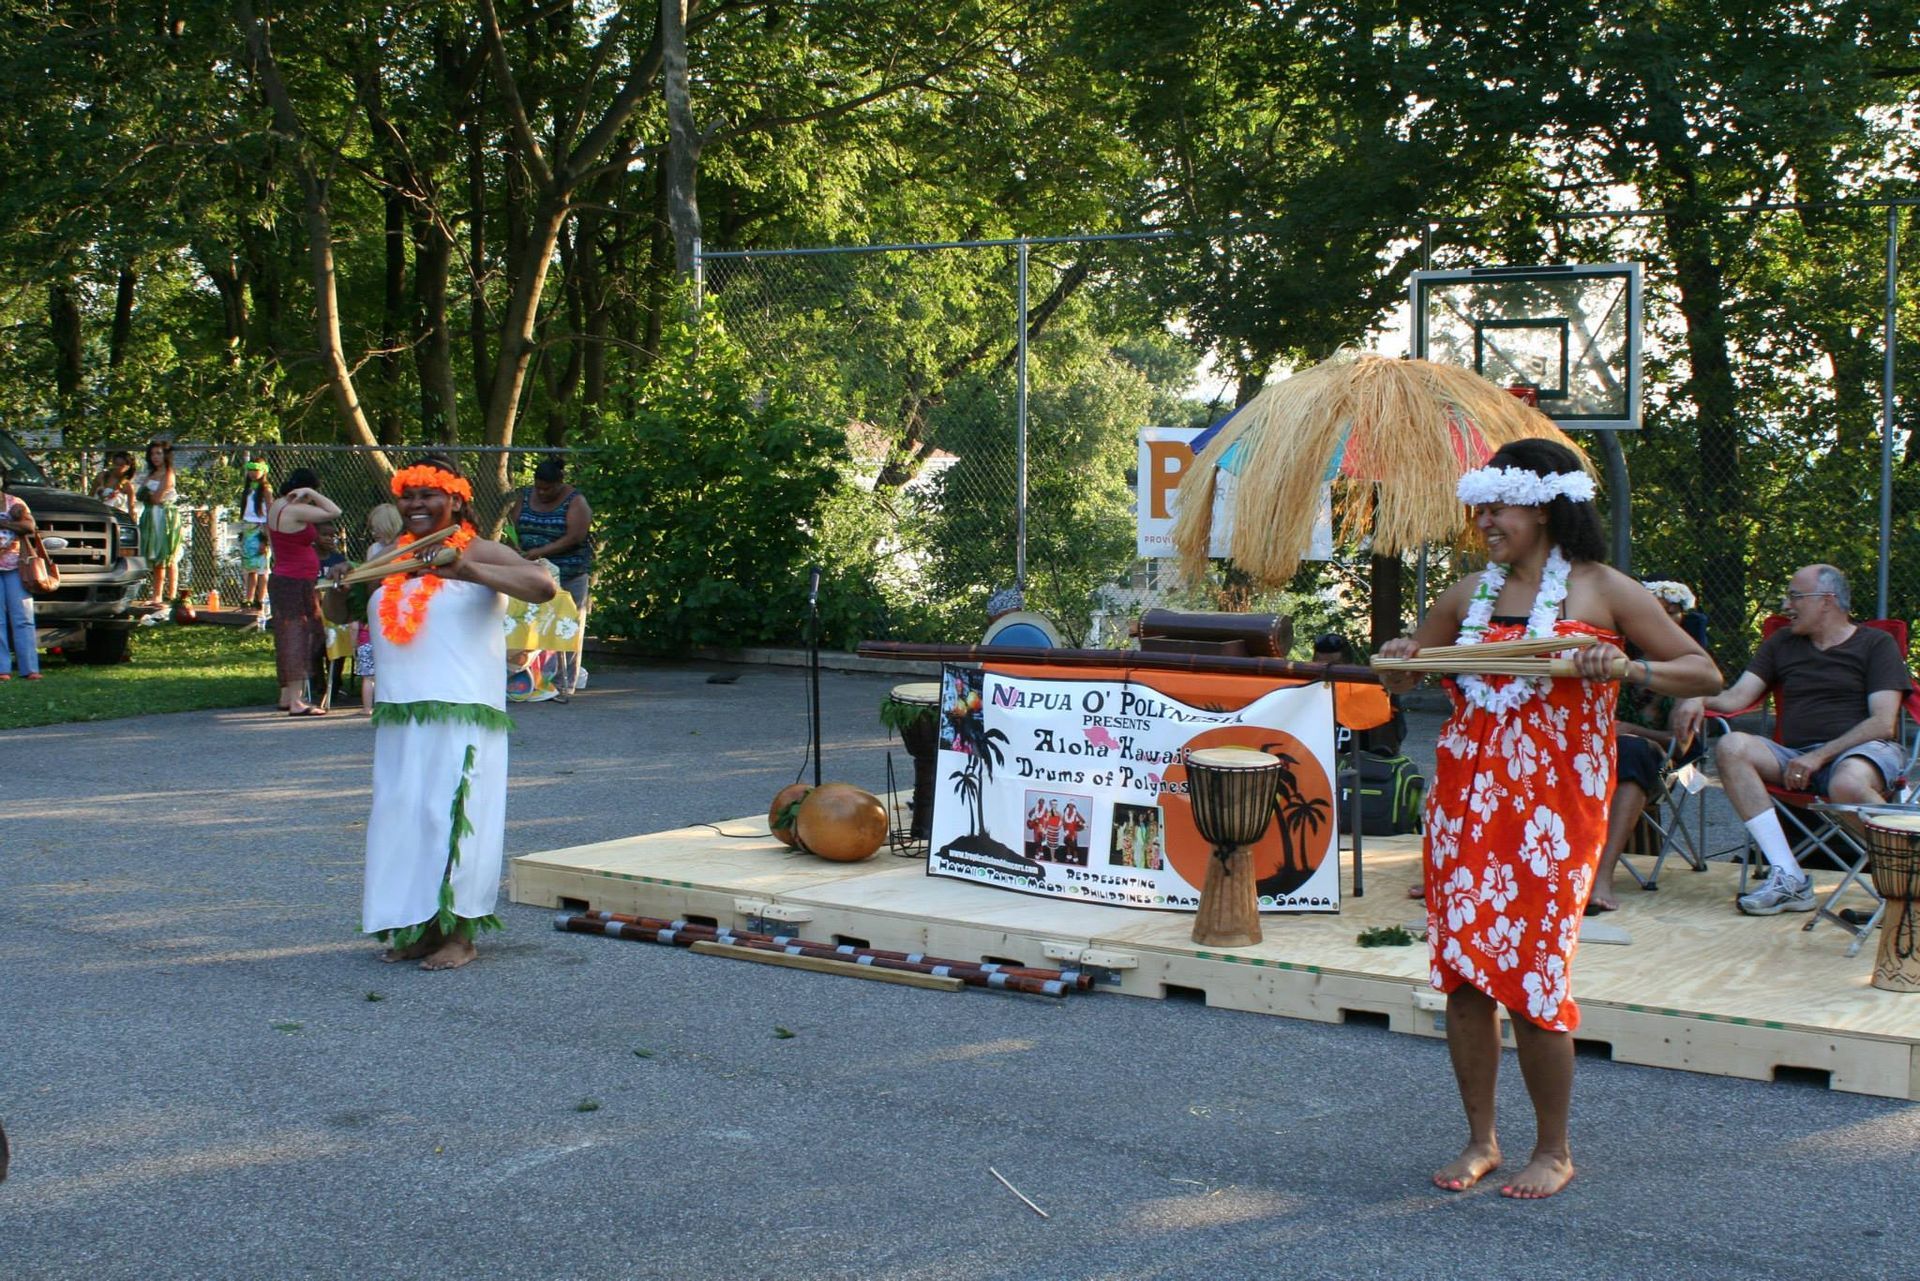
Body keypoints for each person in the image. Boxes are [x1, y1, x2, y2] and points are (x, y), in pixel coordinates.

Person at [1375, 439, 1719, 1200]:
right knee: (1465, 976)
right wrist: (1400, 656)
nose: (1484, 521)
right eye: (1481, 509)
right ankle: (1480, 1139)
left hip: (1553, 815)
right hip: (1466, 805)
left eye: (1498, 508)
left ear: (1544, 508)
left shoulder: (1603, 588)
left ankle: (1553, 1150)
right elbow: (1407, 673)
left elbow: (1703, 670)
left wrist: (1627, 666)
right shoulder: (1469, 593)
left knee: (1535, 975)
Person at [364, 456, 555, 970]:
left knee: (455, 817)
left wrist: (465, 569)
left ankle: (461, 934)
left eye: (428, 494)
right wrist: (337, 583)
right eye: (408, 494)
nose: (416, 504)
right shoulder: (388, 555)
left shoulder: (475, 548)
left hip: (463, 710)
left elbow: (542, 586)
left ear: (455, 499)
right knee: (405, 819)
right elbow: (346, 612)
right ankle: (421, 927)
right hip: (402, 713)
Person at [1670, 564, 1913, 915]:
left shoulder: (1876, 644)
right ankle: (1789, 877)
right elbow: (1737, 698)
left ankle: (1908, 876)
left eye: (1795, 597)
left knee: (1846, 782)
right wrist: (1698, 696)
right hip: (1795, 755)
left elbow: (1882, 723)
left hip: (1863, 752)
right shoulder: (1781, 643)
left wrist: (1819, 757)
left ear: (1827, 601)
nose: (1787, 605)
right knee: (1732, 746)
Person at [1587, 581, 1708, 913]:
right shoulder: (1615, 658)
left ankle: (1602, 877)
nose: (1664, 620)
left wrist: (1632, 731)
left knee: (1633, 751)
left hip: (1664, 769)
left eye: (1673, 613)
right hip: (1600, 759)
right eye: (1656, 612)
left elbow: (1681, 747)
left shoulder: (1688, 671)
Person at [512, 458, 593, 701]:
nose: (542, 492)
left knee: (567, 625)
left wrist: (541, 551)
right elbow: (514, 524)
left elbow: (575, 536)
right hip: (531, 571)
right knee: (526, 621)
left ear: (560, 483)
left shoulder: (576, 501)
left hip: (569, 572)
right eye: (538, 487)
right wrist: (516, 549)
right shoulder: (526, 496)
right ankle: (528, 678)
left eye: (547, 488)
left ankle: (563, 683)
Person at [266, 468, 341, 716]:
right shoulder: (293, 509)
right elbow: (334, 511)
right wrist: (310, 492)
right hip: (294, 581)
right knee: (298, 637)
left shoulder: (277, 505)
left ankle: (286, 694)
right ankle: (297, 701)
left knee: (288, 635)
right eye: (310, 493)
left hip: (286, 579)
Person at [355, 504, 404, 714]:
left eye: (377, 527)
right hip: (382, 605)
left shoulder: (406, 545)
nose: (374, 532)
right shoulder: (374, 549)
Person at [0, 468, 43, 681]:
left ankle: (30, 668)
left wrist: (5, 523)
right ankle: (2, 669)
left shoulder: (15, 502)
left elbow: (29, 526)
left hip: (15, 566)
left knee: (23, 617)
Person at [136, 440, 183, 606]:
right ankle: (157, 596)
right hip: (151, 516)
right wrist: (147, 495)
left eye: (158, 453)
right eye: (152, 454)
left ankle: (171, 596)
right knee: (155, 556)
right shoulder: (151, 474)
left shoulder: (169, 473)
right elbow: (139, 494)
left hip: (165, 517)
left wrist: (147, 494)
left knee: (167, 555)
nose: (155, 457)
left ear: (165, 455)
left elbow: (156, 498)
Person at [238, 460, 273, 609]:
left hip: (260, 528)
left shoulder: (266, 489)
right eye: (250, 469)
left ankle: (261, 598)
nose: (252, 472)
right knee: (250, 568)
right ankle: (249, 598)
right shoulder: (248, 488)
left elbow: (270, 511)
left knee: (262, 568)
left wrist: (266, 538)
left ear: (264, 470)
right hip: (248, 528)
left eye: (256, 469)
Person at [93, 451, 137, 515]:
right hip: (95, 514)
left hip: (114, 517)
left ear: (128, 467)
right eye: (115, 464)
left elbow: (131, 509)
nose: (116, 467)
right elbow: (90, 496)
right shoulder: (101, 476)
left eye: (121, 465)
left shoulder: (127, 485)